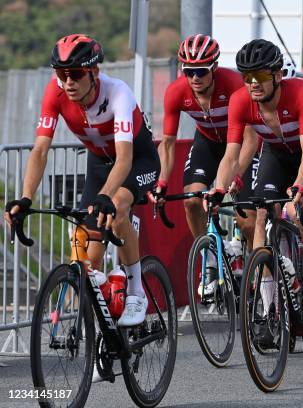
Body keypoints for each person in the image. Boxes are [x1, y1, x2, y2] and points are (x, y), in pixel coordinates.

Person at [4, 34, 160, 326]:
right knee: (91, 255)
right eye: (62, 74)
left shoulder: (118, 94)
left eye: (75, 74)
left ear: (94, 72)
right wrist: (26, 198)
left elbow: (125, 159)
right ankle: (102, 337)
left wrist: (106, 197)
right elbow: (40, 150)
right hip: (101, 163)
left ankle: (137, 291)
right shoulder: (56, 93)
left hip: (138, 160)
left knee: (118, 205)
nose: (68, 82)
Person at [214, 39, 303, 346]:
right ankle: (269, 311)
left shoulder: (299, 93)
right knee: (261, 214)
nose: (252, 83)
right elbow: (232, 155)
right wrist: (218, 187)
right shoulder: (241, 101)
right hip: (277, 153)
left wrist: (299, 187)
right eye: (246, 77)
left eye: (259, 76)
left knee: (299, 212)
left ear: (278, 75)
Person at [157, 34, 259, 244]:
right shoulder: (176, 92)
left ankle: (255, 267)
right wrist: (162, 182)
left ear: (214, 67)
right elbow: (167, 144)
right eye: (188, 71)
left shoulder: (233, 85)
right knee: (192, 201)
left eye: (201, 71)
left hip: (239, 145)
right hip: (207, 143)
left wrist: (238, 174)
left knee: (247, 222)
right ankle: (208, 256)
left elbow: (251, 138)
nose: (195, 77)